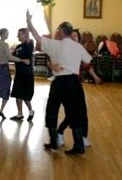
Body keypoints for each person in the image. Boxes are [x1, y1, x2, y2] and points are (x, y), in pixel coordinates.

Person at [26, 10, 91, 155]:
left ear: (61, 32)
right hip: (74, 82)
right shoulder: (77, 46)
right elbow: (88, 61)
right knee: (74, 112)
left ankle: (54, 142)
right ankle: (79, 145)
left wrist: (28, 21)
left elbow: (36, 35)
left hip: (60, 82)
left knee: (52, 110)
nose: (56, 33)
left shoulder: (54, 44)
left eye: (57, 31)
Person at [51, 29, 102, 147]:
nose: (73, 38)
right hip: (63, 85)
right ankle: (59, 132)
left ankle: (83, 136)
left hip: (76, 85)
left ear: (78, 38)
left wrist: (95, 77)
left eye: (76, 36)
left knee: (82, 112)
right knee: (71, 113)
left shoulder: (79, 50)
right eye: (71, 36)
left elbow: (87, 65)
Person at [9, 28, 35, 122]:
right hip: (19, 74)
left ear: (25, 35)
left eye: (19, 34)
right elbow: (12, 57)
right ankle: (19, 114)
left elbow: (29, 35)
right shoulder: (18, 46)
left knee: (25, 96)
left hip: (27, 74)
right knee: (17, 94)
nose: (17, 36)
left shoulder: (29, 44)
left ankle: (31, 110)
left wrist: (28, 21)